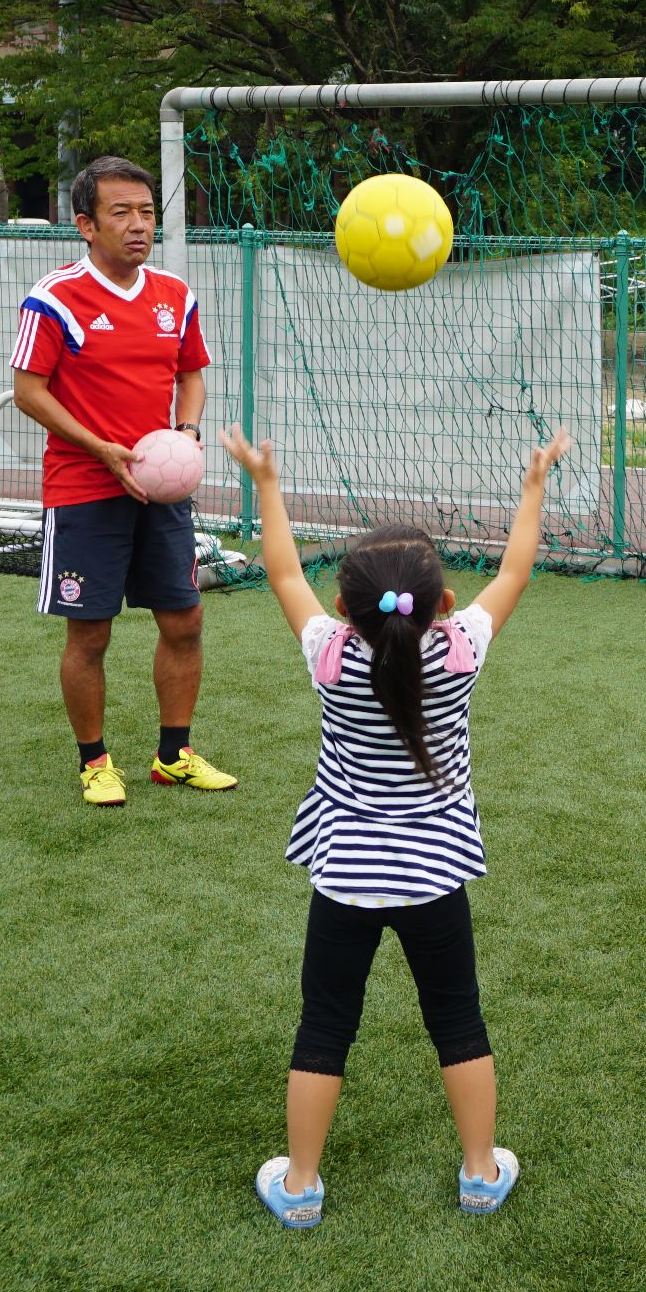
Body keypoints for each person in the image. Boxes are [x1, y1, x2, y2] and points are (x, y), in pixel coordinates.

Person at [222, 419, 571, 1229]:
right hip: (434, 879)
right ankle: (481, 1174)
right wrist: (533, 485)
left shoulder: (329, 653)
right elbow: (517, 569)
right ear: (442, 605)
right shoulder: (459, 650)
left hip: (343, 881)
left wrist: (266, 484)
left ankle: (301, 1186)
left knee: (325, 1024)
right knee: (458, 1018)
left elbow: (279, 569)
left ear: (343, 609)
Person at [9, 156, 236, 807]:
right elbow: (28, 391)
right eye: (121, 213)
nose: (139, 226)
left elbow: (191, 373)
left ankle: (175, 755)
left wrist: (185, 435)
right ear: (86, 224)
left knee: (185, 620)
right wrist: (101, 449)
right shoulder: (54, 299)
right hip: (84, 487)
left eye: (147, 213)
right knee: (91, 632)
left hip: (161, 491)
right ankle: (95, 761)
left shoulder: (174, 295)